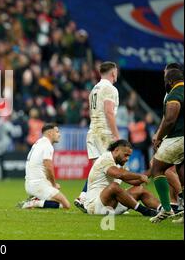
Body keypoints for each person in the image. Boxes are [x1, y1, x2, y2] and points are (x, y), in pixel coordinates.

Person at [75, 61, 120, 212]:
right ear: (113, 73)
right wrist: (116, 136)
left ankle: (83, 197)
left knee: (97, 169)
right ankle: (116, 203)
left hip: (92, 131)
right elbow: (108, 112)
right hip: (104, 133)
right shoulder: (110, 88)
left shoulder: (94, 89)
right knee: (116, 168)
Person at [85, 139, 159, 216]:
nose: (127, 158)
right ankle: (145, 211)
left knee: (139, 189)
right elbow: (119, 174)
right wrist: (140, 176)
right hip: (95, 206)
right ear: (116, 150)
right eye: (125, 155)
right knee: (114, 186)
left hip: (114, 205)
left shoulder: (121, 163)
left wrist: (153, 168)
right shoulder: (105, 159)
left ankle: (164, 210)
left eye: (129, 156)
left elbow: (135, 181)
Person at [150, 69, 184, 223]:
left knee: (157, 167)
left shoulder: (175, 94)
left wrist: (159, 136)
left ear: (170, 81)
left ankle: (166, 209)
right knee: (181, 170)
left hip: (179, 137)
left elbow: (170, 119)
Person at [20, 124, 70, 209]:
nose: (59, 134)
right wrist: (53, 184)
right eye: (57, 132)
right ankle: (34, 203)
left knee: (55, 201)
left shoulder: (38, 142)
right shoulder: (47, 145)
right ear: (50, 133)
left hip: (30, 183)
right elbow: (48, 168)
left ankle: (36, 199)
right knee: (66, 205)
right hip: (38, 185)